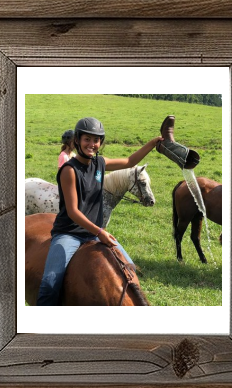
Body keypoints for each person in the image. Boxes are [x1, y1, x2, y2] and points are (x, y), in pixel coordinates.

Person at [37, 117, 162, 306]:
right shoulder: (69, 170)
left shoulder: (99, 164)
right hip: (69, 233)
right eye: (87, 139)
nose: (92, 144)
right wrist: (100, 232)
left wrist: (153, 143)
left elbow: (130, 161)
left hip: (93, 233)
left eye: (96, 140)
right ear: (78, 140)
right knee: (50, 284)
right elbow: (72, 211)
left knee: (130, 269)